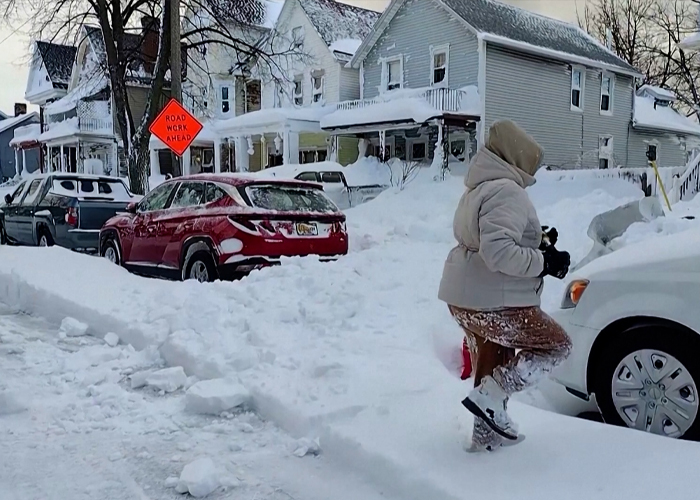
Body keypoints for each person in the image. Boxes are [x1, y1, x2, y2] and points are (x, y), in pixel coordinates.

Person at [438, 119, 572, 452]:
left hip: (466, 295)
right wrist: (546, 262)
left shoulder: (480, 187)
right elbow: (498, 251)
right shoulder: (507, 190)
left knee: (492, 357)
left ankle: (485, 440)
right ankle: (493, 394)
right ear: (517, 157)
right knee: (557, 346)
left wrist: (537, 241)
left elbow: (488, 236)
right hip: (493, 299)